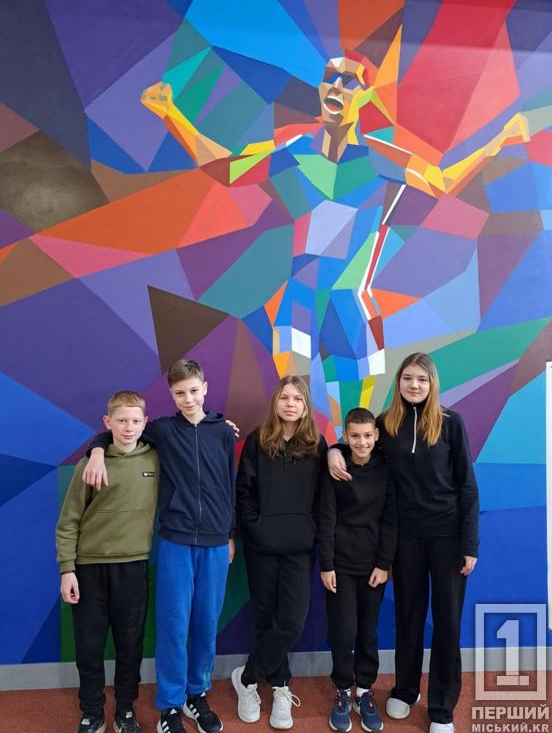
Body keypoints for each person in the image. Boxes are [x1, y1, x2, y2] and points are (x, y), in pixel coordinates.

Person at [140, 46, 534, 429]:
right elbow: (227, 169)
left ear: (365, 97)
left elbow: (444, 181)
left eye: (350, 82)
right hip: (299, 302)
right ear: (320, 88)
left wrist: (500, 140)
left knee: (358, 425)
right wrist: (170, 113)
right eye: (331, 78)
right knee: (293, 420)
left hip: (352, 307)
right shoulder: (296, 151)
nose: (337, 87)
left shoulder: (381, 158)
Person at [328, 353, 479, 733]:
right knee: (408, 617)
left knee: (447, 622)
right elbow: (357, 442)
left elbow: (467, 484)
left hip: (447, 537)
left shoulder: (451, 423)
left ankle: (441, 708)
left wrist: (470, 543)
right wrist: (332, 450)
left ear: (432, 384)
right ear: (398, 382)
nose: (414, 385)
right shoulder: (387, 424)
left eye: (422, 379)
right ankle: (406, 690)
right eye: (408, 378)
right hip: (406, 538)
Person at [83, 360, 236, 733]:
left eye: (194, 390)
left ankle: (196, 694)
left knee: (205, 624)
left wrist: (230, 533)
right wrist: (97, 451)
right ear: (171, 395)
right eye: (180, 393)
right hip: (175, 542)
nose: (188, 398)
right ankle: (170, 705)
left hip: (216, 543)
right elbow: (117, 433)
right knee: (173, 625)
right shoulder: (162, 430)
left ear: (205, 387)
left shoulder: (223, 432)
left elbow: (231, 484)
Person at [56, 390, 158, 733]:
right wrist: (67, 569)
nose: (128, 427)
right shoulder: (89, 464)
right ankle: (92, 711)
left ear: (145, 422)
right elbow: (68, 522)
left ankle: (125, 709)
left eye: (135, 420)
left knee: (130, 646)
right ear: (107, 422)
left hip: (133, 568)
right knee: (89, 646)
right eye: (121, 420)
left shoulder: (156, 460)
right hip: (88, 570)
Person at [231, 375, 327, 730]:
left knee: (291, 621)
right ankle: (280, 685)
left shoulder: (317, 445)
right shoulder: (258, 440)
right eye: (284, 397)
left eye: (297, 399)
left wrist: (311, 529)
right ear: (276, 402)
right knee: (265, 618)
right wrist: (255, 528)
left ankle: (247, 676)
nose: (290, 404)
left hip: (299, 548)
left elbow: (324, 497)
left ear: (305, 406)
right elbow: (244, 492)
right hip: (261, 547)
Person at [319, 408, 397, 733]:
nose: (362, 442)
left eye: (367, 435)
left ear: (376, 436)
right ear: (345, 436)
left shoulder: (387, 470)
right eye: (354, 436)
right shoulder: (336, 469)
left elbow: (391, 520)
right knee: (343, 630)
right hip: (339, 565)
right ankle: (341, 690)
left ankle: (363, 692)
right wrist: (326, 564)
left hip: (373, 567)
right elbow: (326, 518)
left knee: (368, 630)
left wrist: (384, 563)